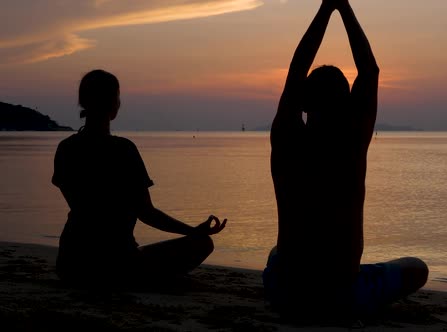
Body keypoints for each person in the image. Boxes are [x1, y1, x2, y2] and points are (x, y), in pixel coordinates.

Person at [264, 0, 428, 321]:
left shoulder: (286, 139)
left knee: (275, 254)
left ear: (305, 103)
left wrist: (327, 7)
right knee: (417, 268)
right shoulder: (351, 144)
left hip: (286, 292)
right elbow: (370, 71)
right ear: (347, 105)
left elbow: (297, 69)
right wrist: (343, 7)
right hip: (339, 296)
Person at [52, 69, 227, 289]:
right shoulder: (123, 150)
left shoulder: (66, 148)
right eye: (117, 97)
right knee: (202, 244)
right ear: (114, 103)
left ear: (83, 102)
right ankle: (153, 278)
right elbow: (146, 212)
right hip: (117, 262)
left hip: (71, 263)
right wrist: (193, 231)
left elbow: (81, 206)